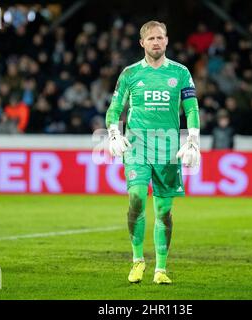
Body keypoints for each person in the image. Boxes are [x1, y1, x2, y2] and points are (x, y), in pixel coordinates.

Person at [105, 20, 200, 285]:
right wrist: (114, 133)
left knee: (164, 210)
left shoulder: (181, 73)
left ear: (167, 41)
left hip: (168, 146)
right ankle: (137, 261)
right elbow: (114, 108)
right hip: (137, 145)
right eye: (151, 39)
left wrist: (193, 140)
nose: (156, 42)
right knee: (135, 197)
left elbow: (191, 109)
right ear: (142, 43)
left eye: (160, 38)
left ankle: (161, 268)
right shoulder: (130, 74)